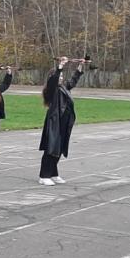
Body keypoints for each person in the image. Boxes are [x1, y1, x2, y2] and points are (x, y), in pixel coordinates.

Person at [38, 57, 84, 186]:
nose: (61, 78)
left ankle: (53, 173)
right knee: (51, 148)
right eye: (59, 76)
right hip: (54, 123)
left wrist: (79, 68)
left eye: (62, 76)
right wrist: (60, 66)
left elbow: (72, 81)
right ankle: (44, 175)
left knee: (59, 148)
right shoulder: (51, 90)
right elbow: (53, 80)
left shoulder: (63, 88)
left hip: (64, 122)